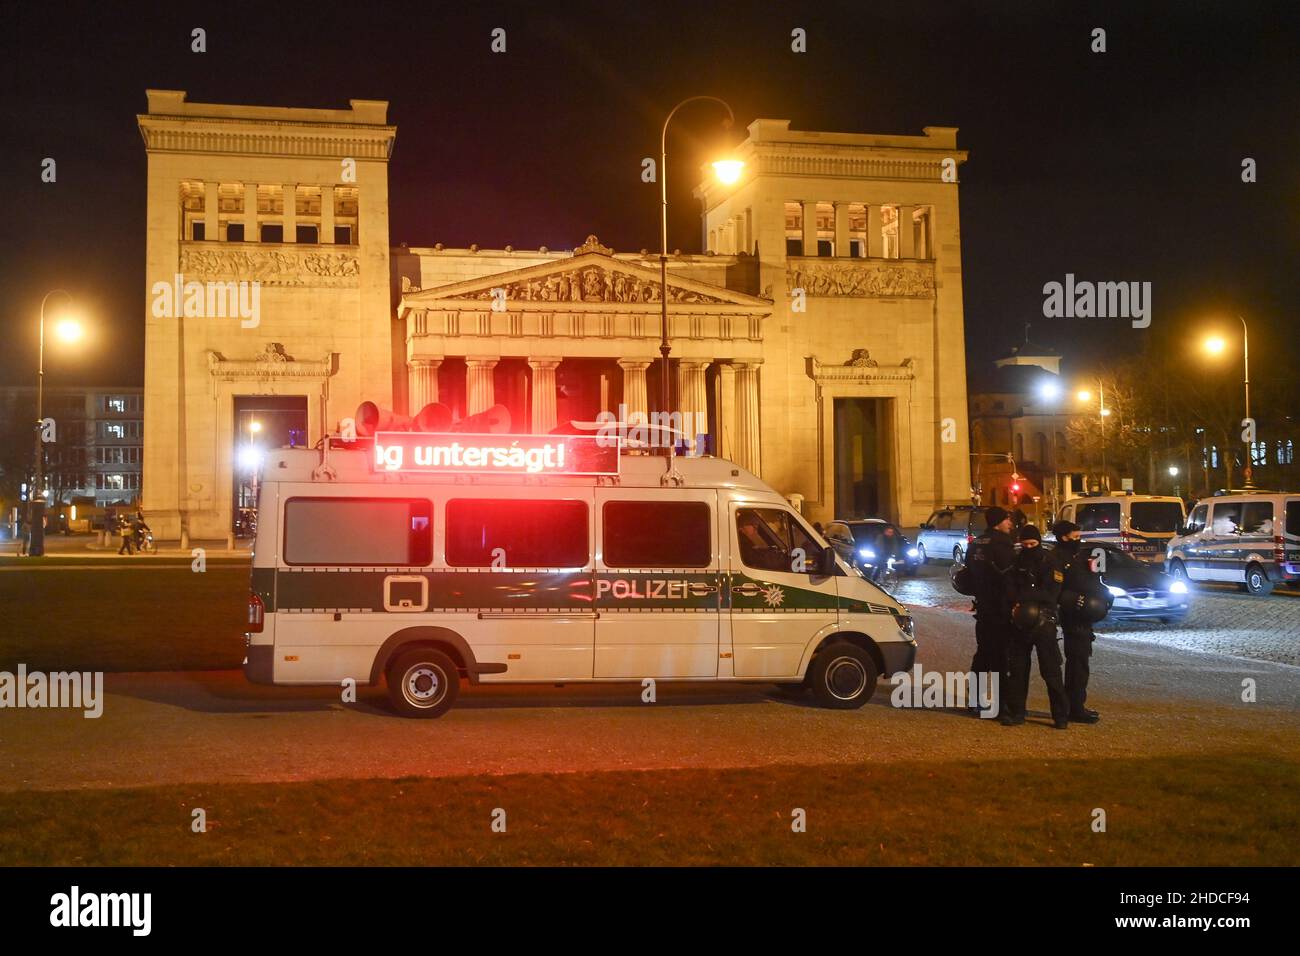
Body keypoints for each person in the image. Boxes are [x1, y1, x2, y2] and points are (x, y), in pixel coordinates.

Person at [1003, 524, 1069, 728]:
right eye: (1025, 544)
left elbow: (1051, 594)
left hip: (1044, 622)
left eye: (1032, 544)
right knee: (1017, 671)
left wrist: (1024, 597)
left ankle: (1060, 716)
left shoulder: (1050, 562)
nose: (1029, 547)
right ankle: (1017, 713)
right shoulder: (1016, 562)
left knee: (1051, 671)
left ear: (1038, 542)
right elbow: (1008, 589)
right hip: (1020, 624)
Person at [1053, 520, 1104, 723]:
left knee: (1080, 662)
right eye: (1075, 537)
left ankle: (1075, 704)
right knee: (1077, 663)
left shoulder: (1075, 555)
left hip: (1083, 615)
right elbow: (1064, 587)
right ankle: (1074, 707)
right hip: (1073, 615)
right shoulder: (1058, 558)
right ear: (1064, 537)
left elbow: (1089, 581)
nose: (1078, 540)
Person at [967, 506, 1017, 711]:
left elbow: (967, 574)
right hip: (1000, 608)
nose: (1011, 524)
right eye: (1007, 520)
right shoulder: (1003, 544)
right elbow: (1010, 578)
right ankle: (1000, 703)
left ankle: (975, 701)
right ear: (998, 522)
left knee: (983, 654)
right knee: (1000, 657)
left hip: (983, 606)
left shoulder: (977, 543)